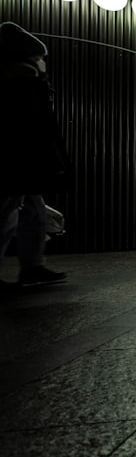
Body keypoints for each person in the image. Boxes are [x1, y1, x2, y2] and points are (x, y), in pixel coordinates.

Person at [0, 22, 68, 287]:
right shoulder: (19, 84)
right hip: (15, 162)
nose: (43, 63)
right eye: (39, 58)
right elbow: (33, 128)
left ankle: (32, 266)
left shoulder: (28, 83)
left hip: (21, 162)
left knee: (33, 213)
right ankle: (31, 267)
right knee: (7, 215)